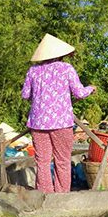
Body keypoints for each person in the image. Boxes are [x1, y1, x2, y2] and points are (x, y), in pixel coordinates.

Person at [21, 34, 95, 193]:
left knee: (42, 162)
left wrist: (40, 100)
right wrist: (91, 88)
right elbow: (79, 93)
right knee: (62, 161)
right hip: (61, 123)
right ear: (61, 54)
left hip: (38, 123)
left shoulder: (33, 71)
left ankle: (44, 194)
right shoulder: (66, 68)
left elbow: (25, 95)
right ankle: (61, 195)